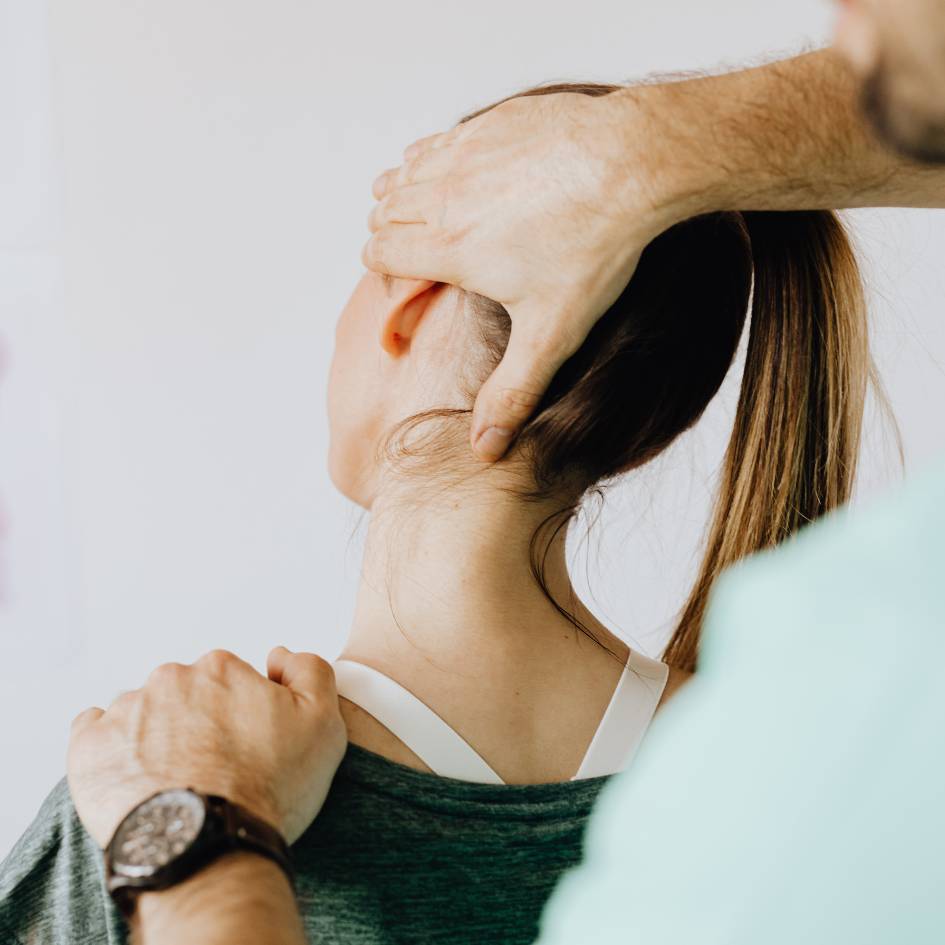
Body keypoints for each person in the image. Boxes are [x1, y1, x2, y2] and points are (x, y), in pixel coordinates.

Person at [4, 4, 945, 945]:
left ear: (405, 309)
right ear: (644, 424)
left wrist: (182, 833)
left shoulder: (149, 813)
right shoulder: (834, 775)